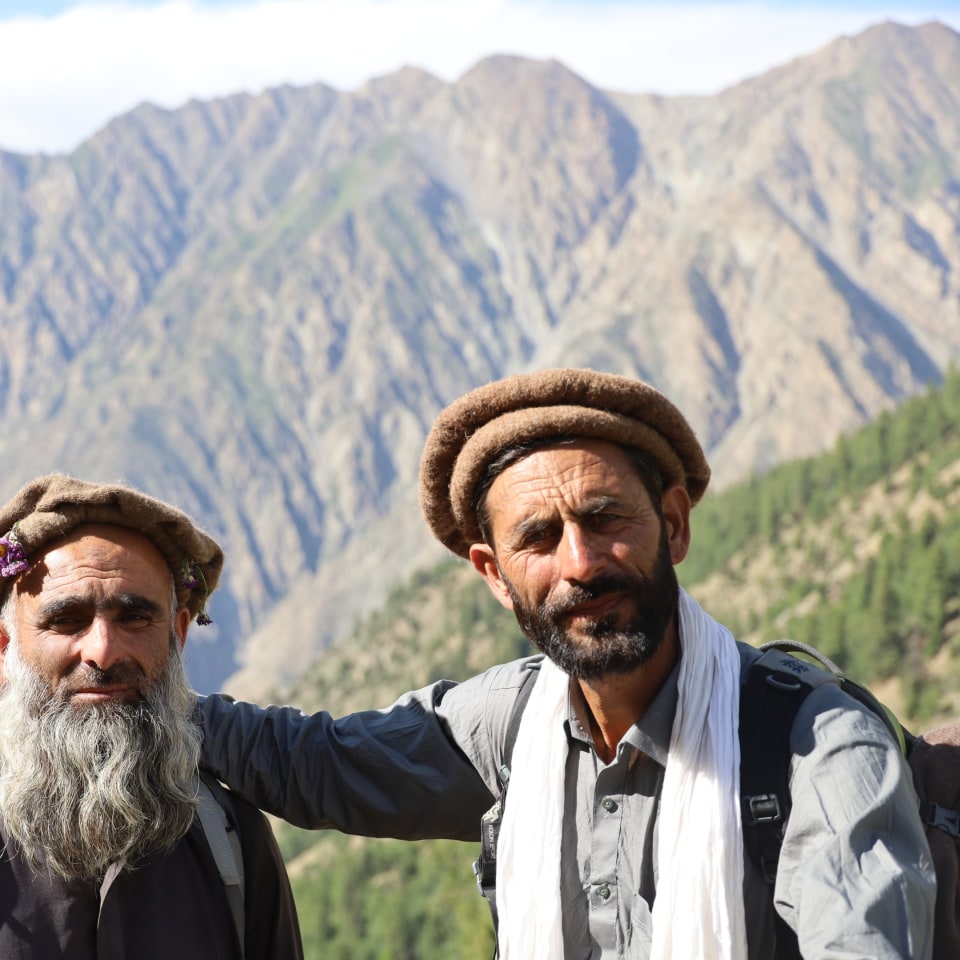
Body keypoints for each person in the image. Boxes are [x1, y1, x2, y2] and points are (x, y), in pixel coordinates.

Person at [199, 368, 935, 959]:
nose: (580, 563)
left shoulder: (817, 744)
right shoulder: (510, 724)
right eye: (539, 538)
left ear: (672, 526)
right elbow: (318, 764)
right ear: (494, 574)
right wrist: (138, 688)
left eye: (606, 517)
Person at [0, 475, 303, 960]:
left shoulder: (233, 844)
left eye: (134, 618)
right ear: (5, 649)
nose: (102, 650)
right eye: (66, 619)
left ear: (177, 636)